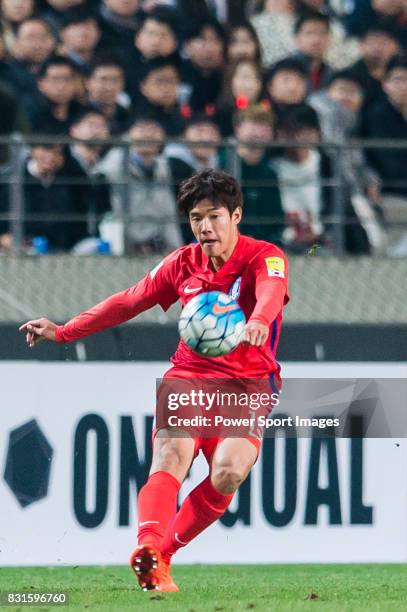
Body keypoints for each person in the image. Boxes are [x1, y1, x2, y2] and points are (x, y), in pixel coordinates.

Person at [19, 168, 289, 592]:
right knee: (170, 456)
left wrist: (257, 319)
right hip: (190, 376)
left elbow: (272, 291)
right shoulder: (182, 263)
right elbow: (129, 300)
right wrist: (65, 330)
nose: (205, 226)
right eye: (196, 218)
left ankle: (163, 553)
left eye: (214, 216)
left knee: (229, 473)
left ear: (236, 215)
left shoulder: (265, 255)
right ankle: (147, 548)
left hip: (248, 386)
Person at [97, 116, 183, 253]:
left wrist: (176, 248)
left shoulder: (167, 166)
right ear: (128, 135)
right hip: (125, 244)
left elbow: (169, 210)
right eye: (142, 129)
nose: (148, 134)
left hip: (162, 243)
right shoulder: (114, 162)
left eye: (154, 130)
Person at [230, 105, 284, 243]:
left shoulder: (271, 172)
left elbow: (276, 218)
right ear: (238, 130)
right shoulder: (224, 166)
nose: (259, 132)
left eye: (265, 127)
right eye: (253, 126)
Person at [86, 56, 130, 135]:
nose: (109, 87)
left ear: (123, 84)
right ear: (88, 82)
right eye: (103, 79)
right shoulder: (77, 115)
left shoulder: (128, 116)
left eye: (115, 80)